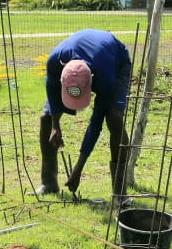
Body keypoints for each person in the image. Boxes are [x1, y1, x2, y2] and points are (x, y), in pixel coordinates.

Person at [37, 29, 133, 200]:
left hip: (115, 61)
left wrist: (78, 168)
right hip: (84, 58)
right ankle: (48, 184)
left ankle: (120, 192)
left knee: (114, 118)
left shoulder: (104, 76)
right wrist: (54, 125)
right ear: (62, 78)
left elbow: (95, 124)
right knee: (46, 117)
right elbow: (51, 91)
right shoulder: (54, 61)